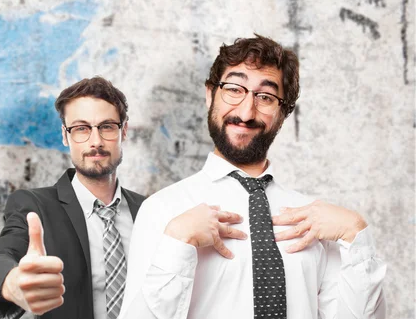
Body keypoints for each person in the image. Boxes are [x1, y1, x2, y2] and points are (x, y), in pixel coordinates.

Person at [118, 35, 386, 319]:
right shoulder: (162, 210)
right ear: (210, 94)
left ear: (282, 113)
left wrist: (356, 233)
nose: (246, 112)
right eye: (234, 89)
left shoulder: (315, 221)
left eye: (266, 97)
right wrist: (177, 241)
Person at [0, 77, 145, 319]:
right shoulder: (33, 206)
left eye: (107, 126)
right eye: (81, 129)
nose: (95, 141)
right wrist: (13, 283)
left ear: (124, 131)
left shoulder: (150, 210)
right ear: (65, 136)